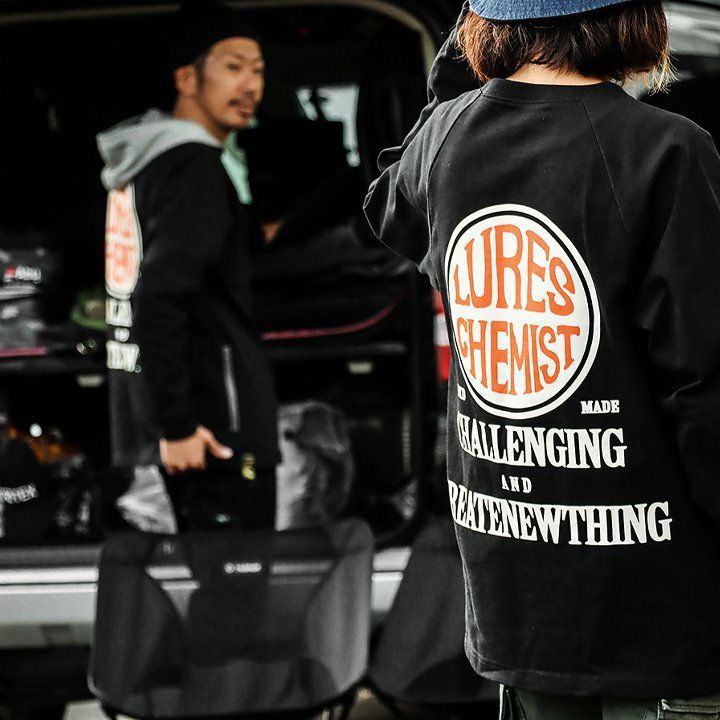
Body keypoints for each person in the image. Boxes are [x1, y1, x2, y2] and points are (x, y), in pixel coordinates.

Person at [365, 1, 720, 717]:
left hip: (515, 590)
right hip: (658, 605)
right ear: (636, 18)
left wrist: (460, 70)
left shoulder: (445, 138)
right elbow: (704, 382)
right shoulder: (666, 147)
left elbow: (388, 208)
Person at [98, 5, 279, 531]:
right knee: (234, 578)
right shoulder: (195, 168)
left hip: (169, 420)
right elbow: (158, 296)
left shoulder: (144, 164)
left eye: (258, 70)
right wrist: (177, 426)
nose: (250, 85)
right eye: (233, 67)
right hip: (214, 432)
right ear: (186, 79)